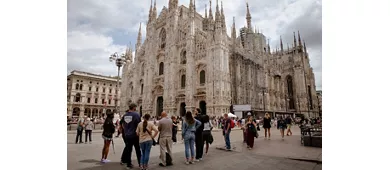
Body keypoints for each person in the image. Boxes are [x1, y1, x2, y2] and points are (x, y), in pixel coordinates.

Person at [121, 103, 142, 169]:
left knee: (128, 150)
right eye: (135, 107)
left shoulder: (125, 115)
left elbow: (121, 123)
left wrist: (125, 130)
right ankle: (140, 164)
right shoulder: (136, 114)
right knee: (138, 150)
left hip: (127, 135)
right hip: (135, 135)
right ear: (134, 108)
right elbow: (139, 125)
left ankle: (128, 164)